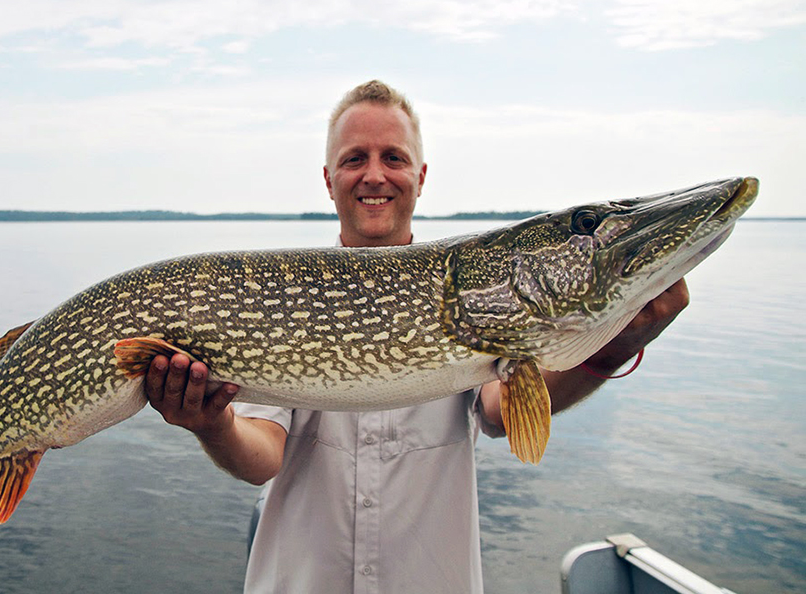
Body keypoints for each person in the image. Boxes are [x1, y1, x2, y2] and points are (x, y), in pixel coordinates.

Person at [142, 80, 689, 593]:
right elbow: (261, 454)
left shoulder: (476, 297)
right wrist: (213, 424)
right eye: (354, 158)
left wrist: (613, 349)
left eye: (393, 158)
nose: (374, 175)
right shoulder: (275, 301)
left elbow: (502, 414)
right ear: (329, 179)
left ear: (420, 176)